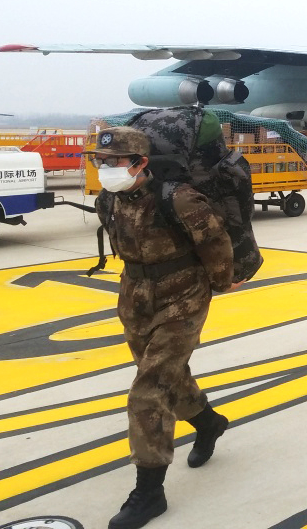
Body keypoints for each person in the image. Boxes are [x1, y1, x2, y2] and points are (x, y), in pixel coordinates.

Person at [85, 127, 236, 529]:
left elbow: (215, 243)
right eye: (100, 160)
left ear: (140, 163)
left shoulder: (179, 199)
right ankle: (209, 423)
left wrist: (221, 283)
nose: (105, 168)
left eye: (113, 161)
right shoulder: (109, 199)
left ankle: (149, 492)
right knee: (169, 376)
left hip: (183, 295)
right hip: (134, 296)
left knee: (148, 390)